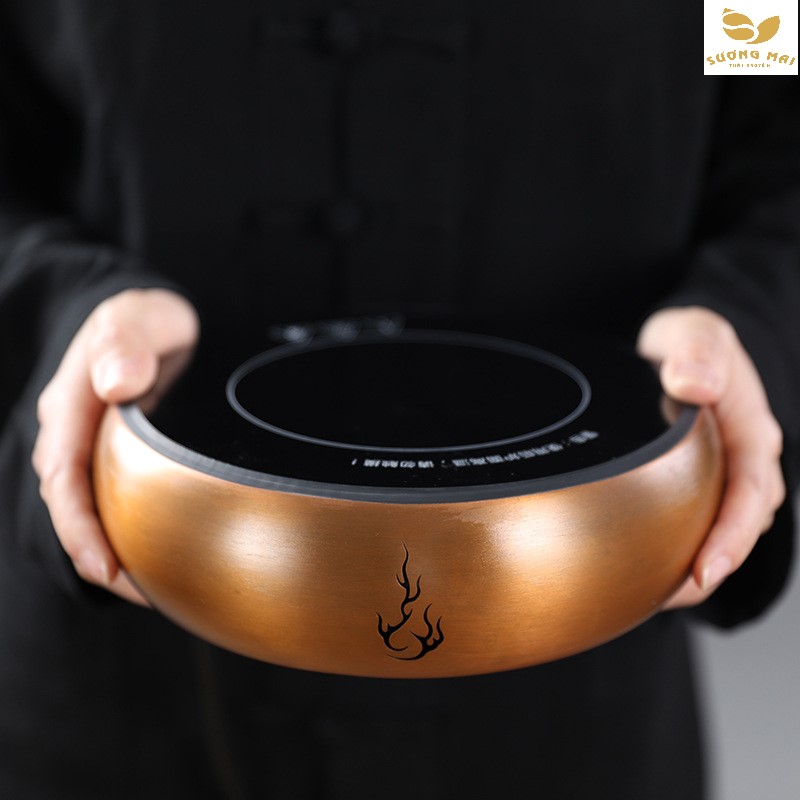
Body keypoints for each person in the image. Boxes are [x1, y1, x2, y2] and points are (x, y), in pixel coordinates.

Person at [0, 3, 797, 798]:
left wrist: (749, 322)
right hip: (118, 701)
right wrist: (64, 315)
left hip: (581, 682)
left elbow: (778, 126)